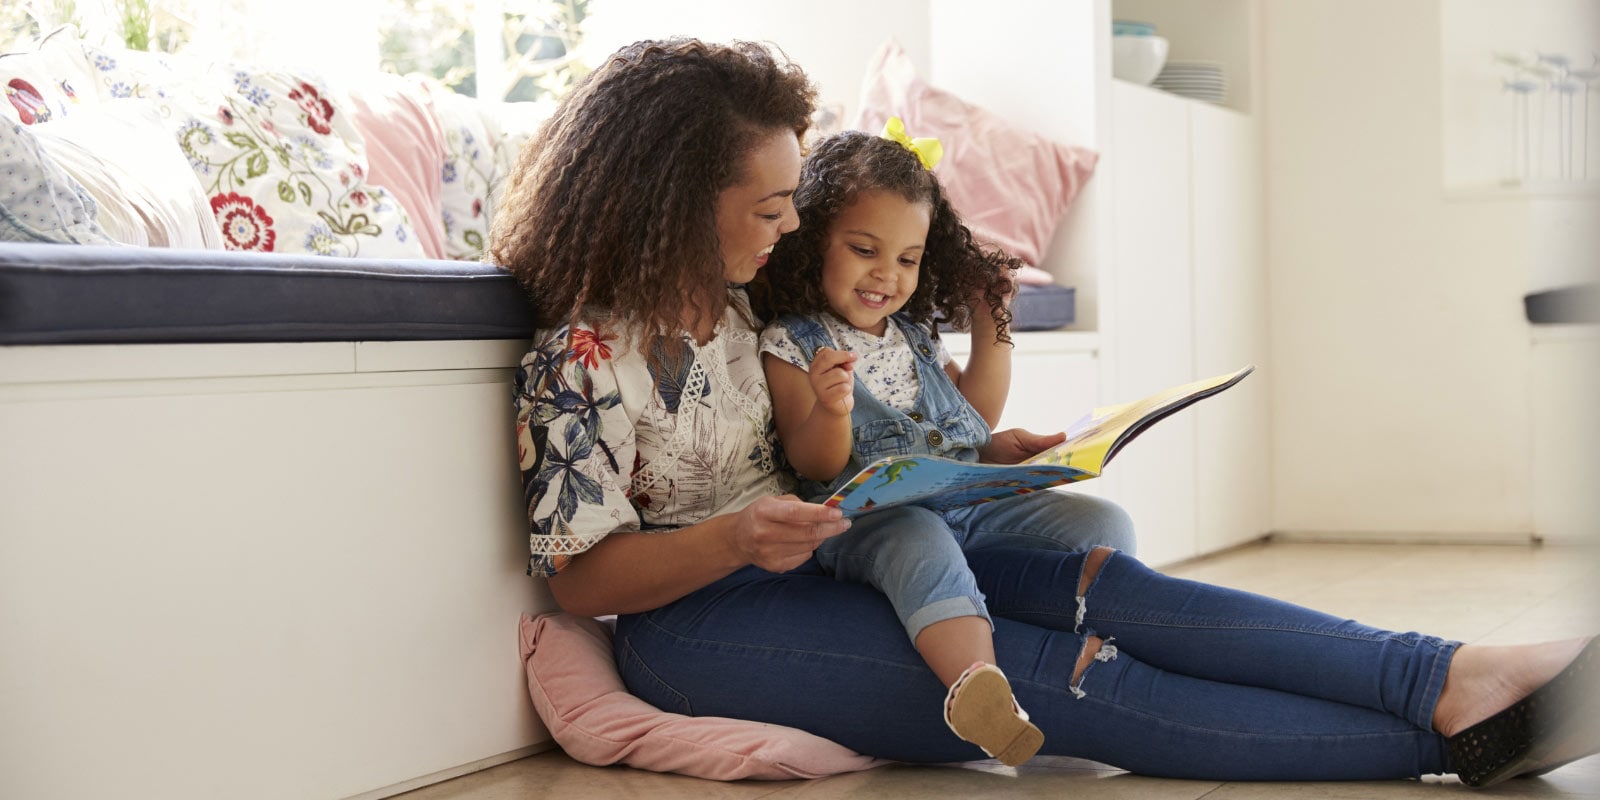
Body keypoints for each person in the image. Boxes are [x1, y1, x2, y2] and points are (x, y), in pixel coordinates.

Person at [491, 36, 1599, 788]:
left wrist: (975, 460)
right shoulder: (576, 359)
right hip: (706, 625)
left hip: (835, 550)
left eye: (792, 205)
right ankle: (1444, 736)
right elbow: (581, 575)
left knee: (1115, 590)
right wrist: (734, 534)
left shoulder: (755, 311)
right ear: (676, 206)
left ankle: (1453, 674)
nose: (788, 229)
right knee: (1066, 678)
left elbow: (868, 394)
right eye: (769, 207)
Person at [751, 123, 1123, 766]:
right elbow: (813, 463)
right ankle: (978, 689)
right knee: (918, 540)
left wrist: (993, 335)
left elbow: (970, 418)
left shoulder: (914, 335)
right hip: (867, 522)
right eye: (864, 249)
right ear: (814, 243)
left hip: (964, 502)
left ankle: (1086, 638)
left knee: (1101, 520)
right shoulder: (794, 340)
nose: (886, 276)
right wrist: (833, 409)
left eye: (907, 259)